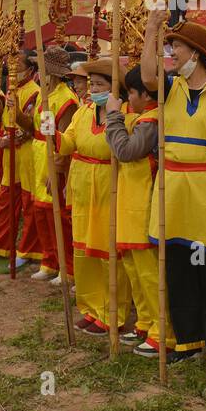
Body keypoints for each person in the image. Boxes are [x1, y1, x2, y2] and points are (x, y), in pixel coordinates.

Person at [141, 10, 206, 377]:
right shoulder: (171, 86)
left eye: (176, 47)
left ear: (196, 53)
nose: (171, 54)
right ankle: (188, 340)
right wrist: (152, 30)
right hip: (174, 187)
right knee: (181, 267)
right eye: (169, 47)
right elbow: (148, 76)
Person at [54, 58, 129, 334]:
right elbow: (69, 142)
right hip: (82, 184)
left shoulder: (123, 112)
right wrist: (52, 133)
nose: (92, 89)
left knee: (109, 252)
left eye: (99, 84)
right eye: (92, 84)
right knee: (83, 250)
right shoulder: (83, 112)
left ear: (113, 88)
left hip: (110, 185)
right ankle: (90, 307)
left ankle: (113, 313)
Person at [106, 65, 170, 357]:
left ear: (146, 94)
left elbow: (127, 151)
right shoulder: (141, 117)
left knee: (148, 271)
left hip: (144, 202)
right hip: (130, 201)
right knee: (133, 266)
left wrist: (113, 118)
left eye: (131, 92)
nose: (128, 98)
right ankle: (145, 321)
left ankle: (163, 330)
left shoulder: (153, 120)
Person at [14, 47, 79, 280]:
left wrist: (58, 169)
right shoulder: (44, 96)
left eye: (41, 68)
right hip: (37, 157)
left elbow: (65, 139)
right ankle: (49, 261)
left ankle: (67, 267)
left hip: (52, 159)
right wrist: (15, 113)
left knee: (58, 216)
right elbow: (33, 128)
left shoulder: (66, 99)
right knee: (41, 212)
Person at [0, 52, 38, 263]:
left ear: (30, 70)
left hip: (26, 154)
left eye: (18, 64)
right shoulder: (11, 90)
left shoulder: (34, 92)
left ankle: (28, 250)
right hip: (9, 156)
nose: (12, 68)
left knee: (28, 203)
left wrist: (4, 142)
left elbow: (32, 128)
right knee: (6, 201)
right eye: (10, 64)